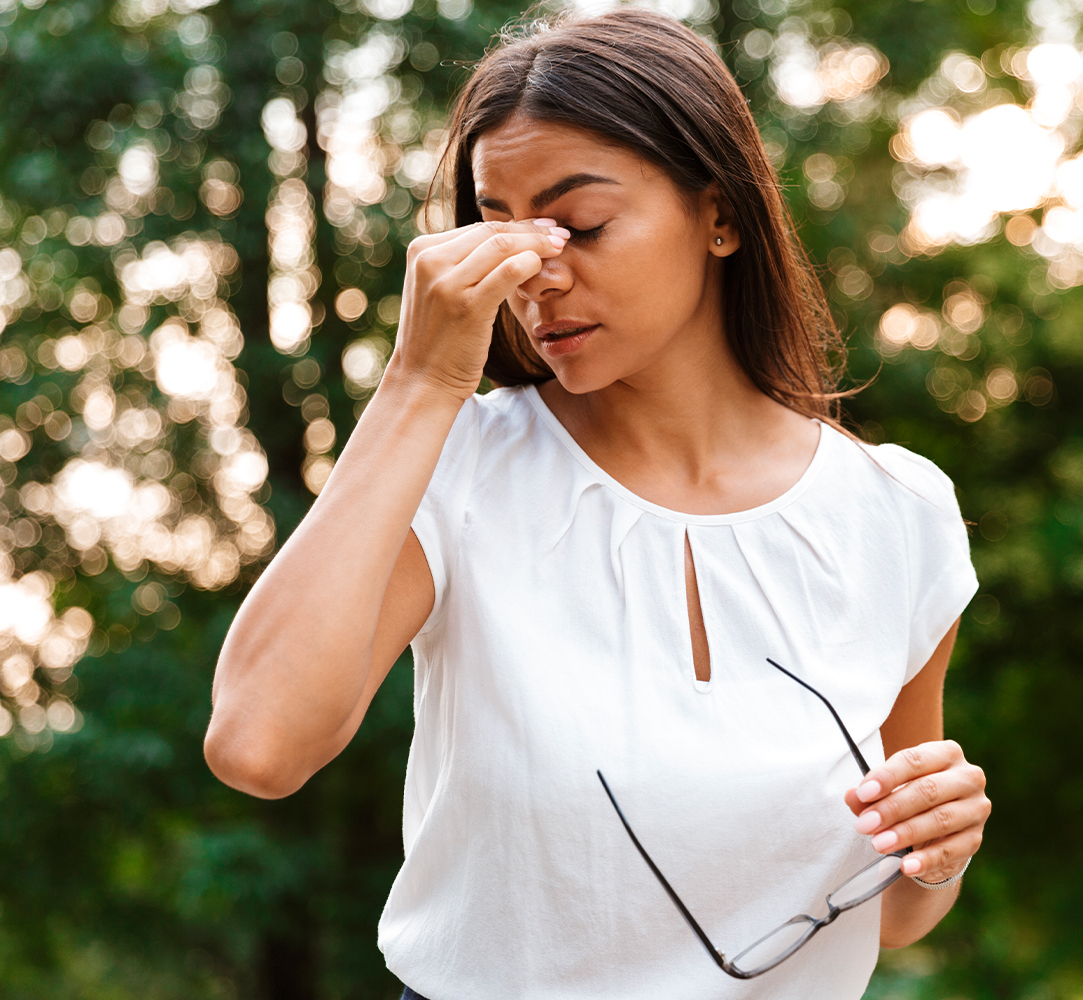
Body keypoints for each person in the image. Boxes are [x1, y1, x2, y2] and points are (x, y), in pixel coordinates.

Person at [205, 7, 989, 998]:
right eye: (500, 230)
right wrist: (416, 385)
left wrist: (942, 847)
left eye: (579, 224)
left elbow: (893, 910)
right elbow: (257, 745)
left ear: (722, 214)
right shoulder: (458, 466)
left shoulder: (898, 514)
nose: (536, 269)